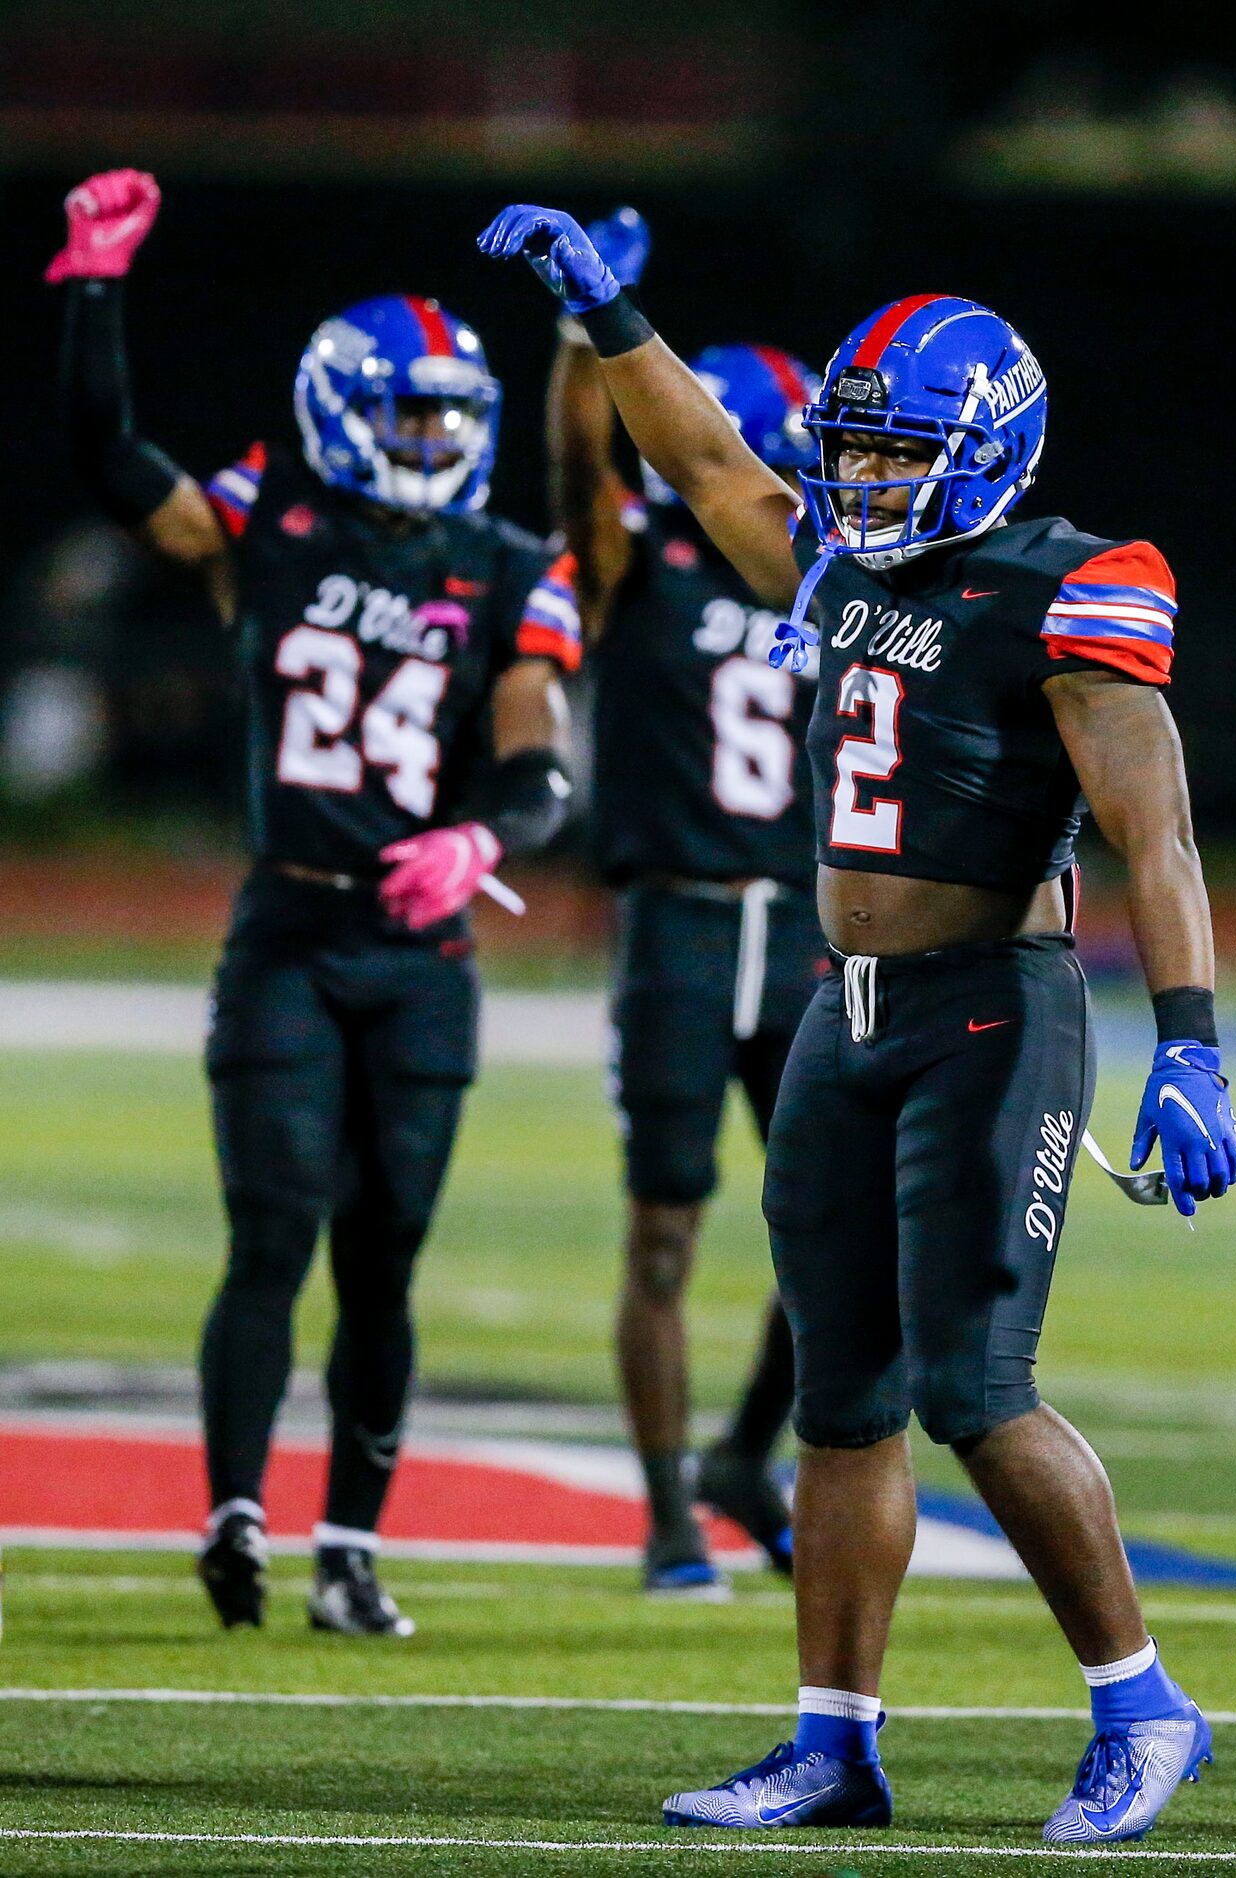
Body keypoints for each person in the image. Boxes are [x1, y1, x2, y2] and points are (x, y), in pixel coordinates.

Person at [479, 206, 1236, 1843]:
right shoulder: (836, 565)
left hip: (992, 1012)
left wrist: (1187, 1038)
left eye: (893, 456)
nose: (858, 483)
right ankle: (833, 1741)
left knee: (977, 1382)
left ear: (983, 451)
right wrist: (613, 314)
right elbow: (700, 463)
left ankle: (1141, 1701)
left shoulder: (1074, 590)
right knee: (841, 1397)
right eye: (851, 452)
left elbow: (1152, 836)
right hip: (847, 1014)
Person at [49, 171, 580, 1636]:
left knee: (384, 1249)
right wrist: (93, 285)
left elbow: (542, 764)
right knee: (272, 1227)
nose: (435, 442)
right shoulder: (265, 515)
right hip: (286, 928)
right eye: (409, 415)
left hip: (419, 948)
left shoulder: (509, 565)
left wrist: (479, 840)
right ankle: (234, 1515)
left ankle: (350, 1543)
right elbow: (105, 455)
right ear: (345, 408)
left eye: (450, 420)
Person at [545, 208, 823, 1595]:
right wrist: (576, 331)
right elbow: (576, 470)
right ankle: (665, 1512)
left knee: (837, 1224)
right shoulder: (635, 558)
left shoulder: (828, 578)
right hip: (675, 916)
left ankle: (741, 1453)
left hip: (806, 923)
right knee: (663, 1225)